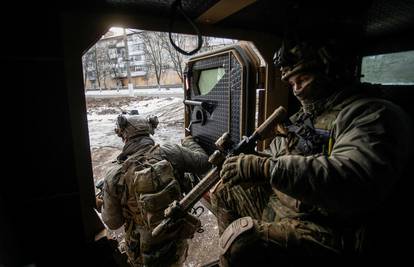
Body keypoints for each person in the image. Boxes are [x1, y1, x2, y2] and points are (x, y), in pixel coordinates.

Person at [211, 36, 413, 266]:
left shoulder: (372, 114)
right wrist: (251, 163)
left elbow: (353, 179)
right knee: (224, 189)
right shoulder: (304, 117)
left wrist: (266, 168)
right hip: (290, 206)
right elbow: (278, 156)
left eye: (303, 79)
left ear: (332, 72)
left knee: (243, 242)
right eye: (291, 83)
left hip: (332, 228)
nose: (296, 90)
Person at [97, 112, 211, 267]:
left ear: (125, 137)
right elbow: (204, 162)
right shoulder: (170, 152)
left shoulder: (114, 175)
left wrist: (103, 201)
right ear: (149, 131)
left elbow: (113, 222)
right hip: (175, 241)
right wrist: (189, 141)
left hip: (143, 253)